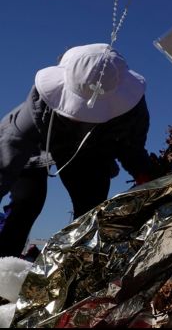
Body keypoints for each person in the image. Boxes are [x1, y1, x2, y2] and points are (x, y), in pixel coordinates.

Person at [0, 43, 163, 258]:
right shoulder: (40, 105)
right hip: (38, 144)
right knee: (27, 201)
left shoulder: (132, 110)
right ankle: (3, 259)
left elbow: (131, 146)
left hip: (91, 150)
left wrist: (146, 176)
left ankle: (75, 266)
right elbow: (9, 152)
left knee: (90, 211)